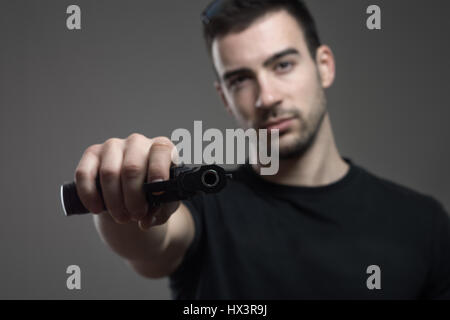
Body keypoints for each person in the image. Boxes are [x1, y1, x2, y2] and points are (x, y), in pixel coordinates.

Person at [73, 0, 450, 299]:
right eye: (240, 80)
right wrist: (120, 196)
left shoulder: (424, 224)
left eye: (282, 65)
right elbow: (152, 244)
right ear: (225, 97)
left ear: (324, 66)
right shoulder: (206, 204)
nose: (267, 97)